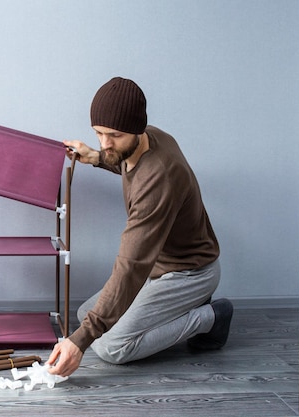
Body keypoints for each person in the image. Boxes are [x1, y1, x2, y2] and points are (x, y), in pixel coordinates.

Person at [47, 77, 233, 377]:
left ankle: (211, 316)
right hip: (157, 268)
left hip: (189, 271)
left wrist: (78, 343)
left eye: (114, 135)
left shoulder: (159, 177)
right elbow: (126, 162)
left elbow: (130, 266)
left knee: (111, 347)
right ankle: (182, 308)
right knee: (86, 316)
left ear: (137, 128)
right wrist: (95, 158)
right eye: (98, 133)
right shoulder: (151, 138)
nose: (105, 143)